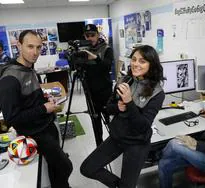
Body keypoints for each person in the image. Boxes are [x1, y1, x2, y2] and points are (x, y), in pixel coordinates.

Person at [80, 45, 165, 188]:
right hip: (118, 137)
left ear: (152, 64)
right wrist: (117, 107)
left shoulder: (157, 92)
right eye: (134, 59)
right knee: (87, 168)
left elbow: (143, 126)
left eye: (142, 61)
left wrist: (129, 102)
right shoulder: (123, 81)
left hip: (137, 143)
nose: (136, 64)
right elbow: (108, 107)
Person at [0, 30, 73, 188]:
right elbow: (12, 118)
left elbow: (31, 99)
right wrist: (43, 109)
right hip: (35, 134)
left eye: (39, 47)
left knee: (56, 169)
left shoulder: (29, 68)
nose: (35, 52)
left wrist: (46, 100)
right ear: (19, 45)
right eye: (30, 47)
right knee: (65, 166)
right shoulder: (10, 78)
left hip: (47, 126)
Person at [81, 23, 114, 146]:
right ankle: (99, 146)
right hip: (90, 93)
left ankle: (115, 143)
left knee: (110, 121)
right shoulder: (83, 51)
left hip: (105, 92)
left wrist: (96, 58)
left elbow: (106, 66)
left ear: (97, 35)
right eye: (87, 35)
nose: (90, 38)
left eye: (92, 35)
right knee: (95, 123)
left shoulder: (106, 48)